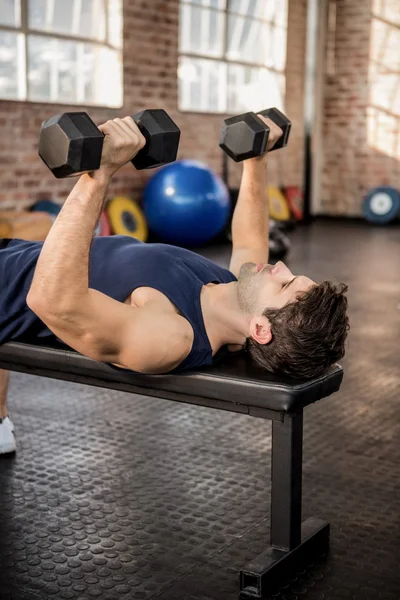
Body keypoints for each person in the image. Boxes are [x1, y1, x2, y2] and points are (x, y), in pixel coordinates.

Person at [0, 115, 349, 455]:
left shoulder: (171, 337)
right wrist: (255, 158)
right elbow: (248, 238)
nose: (281, 266)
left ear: (260, 328)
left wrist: (99, 174)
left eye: (284, 284)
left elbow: (50, 300)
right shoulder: (231, 290)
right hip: (13, 254)